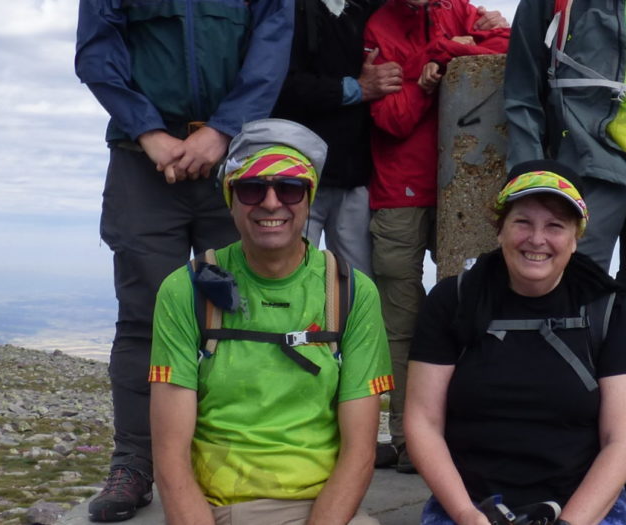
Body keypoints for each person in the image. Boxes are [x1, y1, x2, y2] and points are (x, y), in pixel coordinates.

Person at [74, 0, 294, 520]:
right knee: (145, 318)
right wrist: (148, 132)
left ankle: (238, 455)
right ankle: (134, 464)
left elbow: (270, 52)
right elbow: (97, 53)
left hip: (237, 159)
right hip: (141, 160)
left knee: (242, 311)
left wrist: (219, 131)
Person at [503, 0, 626, 509]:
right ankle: (550, 456)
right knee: (563, 309)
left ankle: (625, 460)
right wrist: (530, 179)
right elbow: (522, 90)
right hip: (582, 160)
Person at [146, 119, 393, 525]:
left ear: (310, 199)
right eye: (251, 188)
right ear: (230, 199)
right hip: (216, 510)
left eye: (290, 188)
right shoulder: (184, 290)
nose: (272, 203)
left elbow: (360, 452)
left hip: (323, 509)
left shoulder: (350, 292)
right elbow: (170, 459)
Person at [405, 163, 626, 525]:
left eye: (555, 226)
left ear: (576, 237)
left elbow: (622, 439)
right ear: (499, 229)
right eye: (522, 222)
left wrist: (569, 523)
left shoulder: (606, 308)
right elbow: (423, 421)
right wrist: (467, 515)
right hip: (472, 502)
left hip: (581, 502)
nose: (537, 239)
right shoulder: (453, 301)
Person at [362, 0, 509, 473]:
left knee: (475, 312)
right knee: (400, 325)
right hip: (399, 190)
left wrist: (435, 56)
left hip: (464, 189)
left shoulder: (460, 9)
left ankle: (468, 432)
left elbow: (506, 48)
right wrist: (428, 75)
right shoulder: (380, 23)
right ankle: (408, 440)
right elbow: (392, 119)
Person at [273, 0, 397, 276]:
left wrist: (479, 22)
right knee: (291, 277)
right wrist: (353, 89)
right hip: (299, 175)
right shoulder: (287, 8)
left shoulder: (374, 7)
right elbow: (280, 85)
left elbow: (430, 16)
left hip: (355, 174)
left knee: (358, 284)